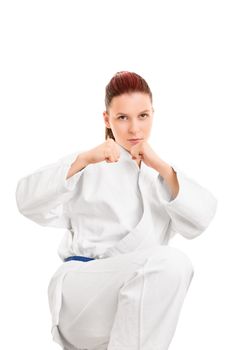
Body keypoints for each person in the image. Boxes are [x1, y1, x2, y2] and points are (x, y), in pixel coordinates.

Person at [15, 71, 218, 350]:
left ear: (153, 114)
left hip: (131, 310)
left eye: (143, 116)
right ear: (107, 119)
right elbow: (26, 200)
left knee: (174, 266)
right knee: (171, 262)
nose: (135, 128)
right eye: (123, 117)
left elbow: (202, 218)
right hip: (82, 297)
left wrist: (162, 167)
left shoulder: (160, 179)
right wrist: (84, 159)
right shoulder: (90, 164)